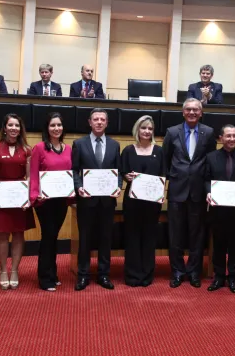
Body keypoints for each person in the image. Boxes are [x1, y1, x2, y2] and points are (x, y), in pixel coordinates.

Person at [164, 98, 217, 288]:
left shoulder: (209, 133)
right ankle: (177, 271)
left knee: (197, 235)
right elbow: (166, 159)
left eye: (196, 110)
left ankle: (194, 272)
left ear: (201, 113)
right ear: (183, 112)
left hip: (198, 192)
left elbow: (211, 160)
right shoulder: (172, 132)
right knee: (175, 235)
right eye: (188, 109)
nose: (192, 112)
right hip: (177, 191)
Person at [72, 108, 122, 290]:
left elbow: (118, 172)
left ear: (107, 123)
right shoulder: (79, 144)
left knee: (105, 238)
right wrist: (78, 187)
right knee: (84, 239)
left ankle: (103, 274)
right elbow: (74, 171)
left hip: (107, 201)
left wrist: (118, 186)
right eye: (96, 119)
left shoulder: (115, 145)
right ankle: (83, 275)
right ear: (90, 122)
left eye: (102, 119)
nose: (99, 122)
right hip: (87, 200)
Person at [204, 125, 235, 293]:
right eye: (228, 136)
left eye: (234, 136)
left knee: (234, 245)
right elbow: (206, 179)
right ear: (221, 138)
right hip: (217, 209)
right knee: (218, 245)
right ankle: (218, 276)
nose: (232, 139)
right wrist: (209, 193)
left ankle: (232, 276)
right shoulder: (211, 157)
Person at [0, 114, 36, 290]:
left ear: (20, 128)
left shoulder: (27, 150)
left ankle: (14, 270)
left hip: (19, 197)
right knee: (2, 234)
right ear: (5, 127)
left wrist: (28, 198)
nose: (14, 128)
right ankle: (2, 270)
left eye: (17, 125)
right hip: (1, 197)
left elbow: (30, 177)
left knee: (18, 234)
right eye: (10, 125)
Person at [29, 113, 74, 291]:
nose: (56, 128)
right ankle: (44, 277)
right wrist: (34, 195)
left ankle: (52, 273)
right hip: (44, 201)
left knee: (53, 237)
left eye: (59, 125)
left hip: (61, 200)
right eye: (53, 125)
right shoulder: (39, 148)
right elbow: (33, 174)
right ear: (47, 128)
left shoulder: (68, 149)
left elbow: (71, 174)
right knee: (48, 236)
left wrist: (72, 195)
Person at [121, 115, 165, 287]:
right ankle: (132, 275)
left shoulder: (159, 151)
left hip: (152, 202)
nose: (146, 131)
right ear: (137, 129)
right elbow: (122, 173)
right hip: (132, 202)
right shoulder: (128, 150)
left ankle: (147, 274)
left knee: (149, 237)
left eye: (150, 129)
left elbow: (163, 175)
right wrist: (127, 176)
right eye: (143, 128)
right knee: (131, 237)